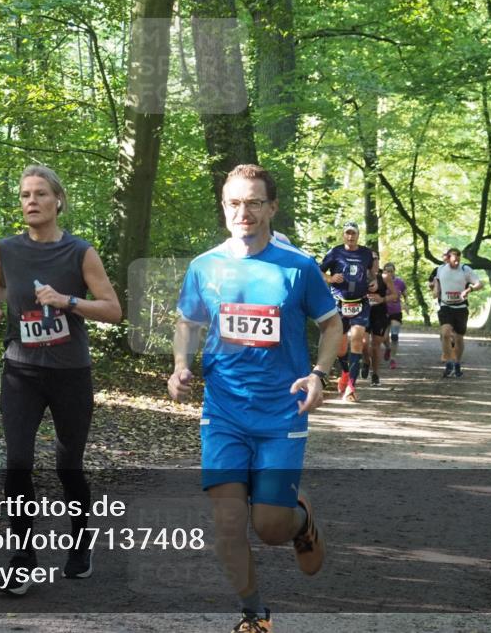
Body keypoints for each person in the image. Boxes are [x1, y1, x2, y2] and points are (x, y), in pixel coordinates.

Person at [167, 164, 342, 633]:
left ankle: (299, 517)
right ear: (224, 206)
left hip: (281, 410)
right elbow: (188, 320)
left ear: (272, 207)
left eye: (254, 202)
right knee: (226, 524)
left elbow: (330, 324)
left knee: (269, 528)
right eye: (234, 203)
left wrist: (319, 375)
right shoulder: (205, 266)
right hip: (223, 409)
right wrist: (181, 364)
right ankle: (254, 614)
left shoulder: (298, 268)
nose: (243, 212)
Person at [0, 164, 122, 595]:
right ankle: (21, 559)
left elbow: (113, 310)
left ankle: (81, 545)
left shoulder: (80, 252)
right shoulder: (6, 248)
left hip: (70, 374)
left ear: (58, 200)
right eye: (25, 195)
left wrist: (67, 301)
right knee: (18, 462)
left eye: (40, 194)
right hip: (21, 369)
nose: (31, 202)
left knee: (68, 465)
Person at [320, 222, 376, 402]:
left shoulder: (366, 253)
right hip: (339, 303)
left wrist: (374, 283)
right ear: (343, 235)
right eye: (347, 234)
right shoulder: (335, 252)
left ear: (358, 235)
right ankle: (345, 372)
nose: (351, 237)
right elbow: (318, 271)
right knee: (341, 347)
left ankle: (351, 387)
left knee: (358, 340)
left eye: (354, 234)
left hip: (361, 302)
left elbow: (373, 275)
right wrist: (330, 277)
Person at [432, 247, 483, 378]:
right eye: (454, 259)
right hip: (446, 306)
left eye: (458, 259)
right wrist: (436, 290)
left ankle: (457, 363)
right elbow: (436, 281)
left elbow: (479, 284)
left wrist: (469, 290)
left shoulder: (465, 269)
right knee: (445, 333)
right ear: (448, 258)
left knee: (459, 338)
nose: (457, 262)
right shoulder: (441, 269)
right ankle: (449, 362)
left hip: (460, 308)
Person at [362, 251, 389, 387]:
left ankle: (375, 374)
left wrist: (382, 298)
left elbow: (395, 295)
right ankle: (366, 361)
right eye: (370, 259)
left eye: (376, 259)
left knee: (376, 345)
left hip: (379, 314)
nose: (373, 261)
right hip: (364, 313)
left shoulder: (384, 277)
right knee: (363, 343)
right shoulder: (359, 276)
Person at [382, 263, 407, 370]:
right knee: (383, 337)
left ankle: (393, 359)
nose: (389, 273)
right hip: (382, 312)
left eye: (391, 271)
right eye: (387, 271)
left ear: (394, 271)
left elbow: (405, 294)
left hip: (396, 312)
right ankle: (388, 348)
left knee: (394, 336)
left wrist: (406, 304)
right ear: (383, 272)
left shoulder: (399, 282)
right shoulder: (380, 282)